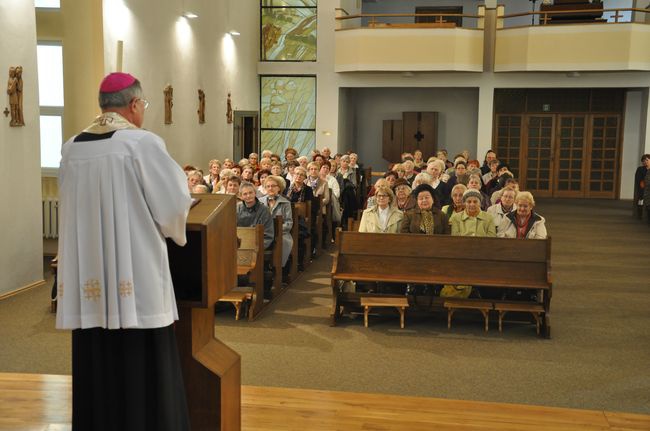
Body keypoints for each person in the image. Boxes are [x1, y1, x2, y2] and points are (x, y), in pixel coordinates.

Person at [56, 72, 191, 430]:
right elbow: (175, 205)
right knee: (142, 370)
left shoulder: (71, 147)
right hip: (137, 275)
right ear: (134, 105)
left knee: (97, 365)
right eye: (143, 106)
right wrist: (176, 231)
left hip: (90, 281)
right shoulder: (141, 144)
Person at [259, 176, 293, 267]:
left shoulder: (286, 203)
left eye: (273, 186)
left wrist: (276, 230)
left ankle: (278, 268)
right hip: (263, 233)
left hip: (281, 233)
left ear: (279, 188)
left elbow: (289, 223)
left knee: (281, 242)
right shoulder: (259, 202)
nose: (270, 188)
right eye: (268, 186)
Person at [237, 182, 274, 250]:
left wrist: (257, 248)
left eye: (250, 193)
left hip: (258, 245)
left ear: (255, 193)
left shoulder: (264, 210)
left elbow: (268, 235)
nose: (248, 196)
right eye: (245, 194)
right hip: (239, 245)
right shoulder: (237, 209)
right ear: (241, 196)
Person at [633, 154, 650, 220]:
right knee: (641, 199)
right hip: (643, 187)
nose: (645, 162)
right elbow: (639, 180)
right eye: (643, 161)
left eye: (647, 160)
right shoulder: (640, 169)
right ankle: (640, 214)